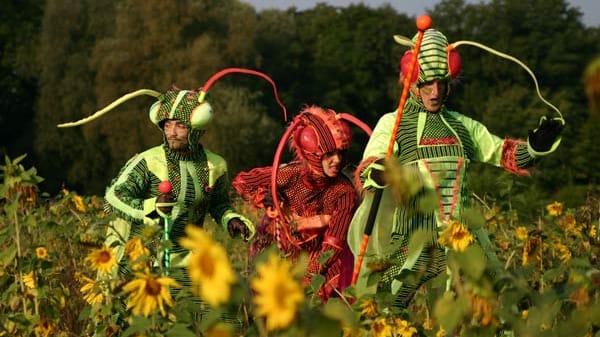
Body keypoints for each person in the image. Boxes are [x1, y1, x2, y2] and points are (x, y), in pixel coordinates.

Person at [347, 28, 564, 309]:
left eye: (441, 83)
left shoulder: (462, 125)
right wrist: (380, 171)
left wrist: (535, 147)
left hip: (463, 237)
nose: (435, 92)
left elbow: (503, 154)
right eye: (427, 84)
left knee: (500, 307)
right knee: (389, 311)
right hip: (413, 237)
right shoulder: (393, 123)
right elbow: (369, 168)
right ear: (412, 83)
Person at [232, 105, 360, 302]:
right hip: (278, 252)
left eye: (341, 154)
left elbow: (332, 245)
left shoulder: (344, 192)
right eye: (330, 154)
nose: (337, 160)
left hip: (322, 263)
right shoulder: (287, 174)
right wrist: (266, 195)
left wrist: (306, 282)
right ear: (313, 154)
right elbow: (242, 182)